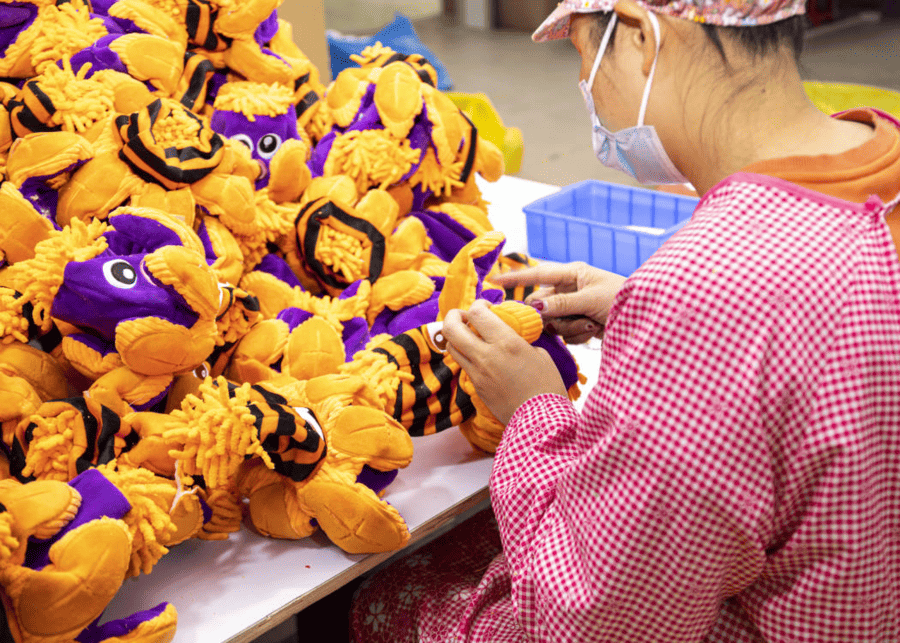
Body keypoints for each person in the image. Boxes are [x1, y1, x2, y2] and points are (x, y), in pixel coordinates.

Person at [349, 0, 900, 640]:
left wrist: (533, 408)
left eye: (585, 54)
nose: (585, 84)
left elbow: (591, 620)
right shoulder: (876, 169)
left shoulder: (711, 293)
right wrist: (642, 309)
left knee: (390, 592)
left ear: (640, 37)